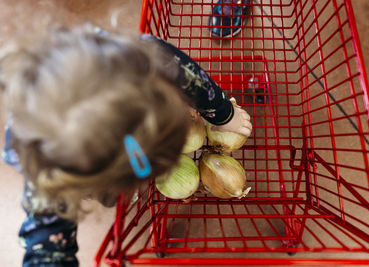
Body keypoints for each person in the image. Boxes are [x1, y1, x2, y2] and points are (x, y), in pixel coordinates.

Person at [0, 24, 252, 266]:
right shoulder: (50, 182)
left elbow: (182, 70)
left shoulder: (135, 58)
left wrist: (223, 112)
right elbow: (46, 248)